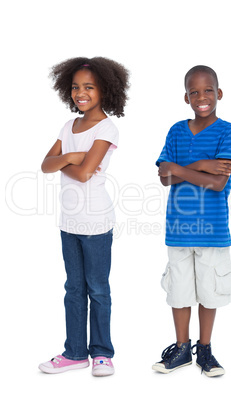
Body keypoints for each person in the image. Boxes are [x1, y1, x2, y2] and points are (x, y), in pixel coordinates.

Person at [39, 57, 129, 376]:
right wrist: (71, 156)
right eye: (76, 86)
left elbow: (85, 173)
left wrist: (66, 160)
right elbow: (45, 165)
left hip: (96, 223)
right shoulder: (69, 126)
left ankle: (102, 353)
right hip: (68, 223)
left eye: (89, 87)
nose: (81, 92)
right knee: (73, 289)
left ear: (105, 90)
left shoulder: (107, 127)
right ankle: (75, 353)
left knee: (98, 289)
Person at [152, 65, 231, 377]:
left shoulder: (230, 131)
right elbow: (163, 176)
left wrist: (178, 169)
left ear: (218, 93)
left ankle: (204, 348)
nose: (201, 97)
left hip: (212, 231)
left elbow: (218, 184)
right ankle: (180, 349)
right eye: (194, 92)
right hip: (178, 228)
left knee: (209, 290)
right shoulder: (177, 130)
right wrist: (203, 164)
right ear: (186, 97)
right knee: (178, 292)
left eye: (207, 91)